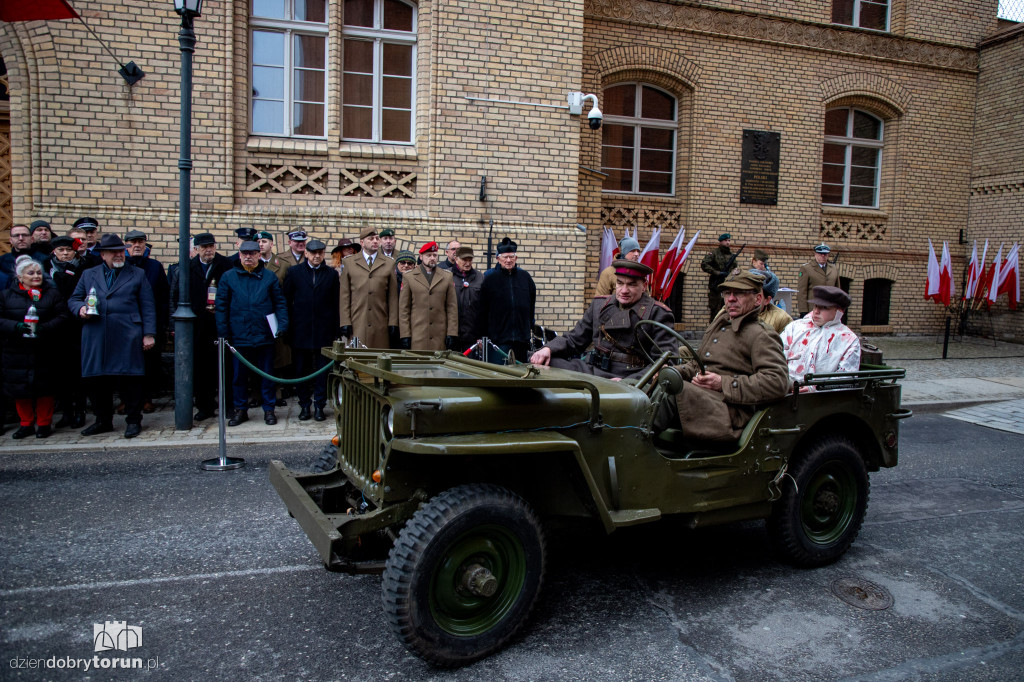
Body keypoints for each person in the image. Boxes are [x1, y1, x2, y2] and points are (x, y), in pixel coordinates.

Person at [654, 270, 790, 442]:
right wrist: (674, 371)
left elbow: (777, 382)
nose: (731, 299)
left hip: (730, 411)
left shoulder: (761, 335)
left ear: (757, 299)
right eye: (727, 293)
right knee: (646, 386)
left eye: (739, 293)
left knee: (670, 393)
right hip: (706, 400)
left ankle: (631, 444)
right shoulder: (721, 324)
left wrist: (722, 383)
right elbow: (699, 366)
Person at [69, 234, 157, 439]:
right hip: (97, 334)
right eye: (114, 252)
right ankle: (103, 421)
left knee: (130, 381)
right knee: (98, 381)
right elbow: (74, 299)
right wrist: (81, 309)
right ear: (103, 255)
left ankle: (134, 420)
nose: (119, 254)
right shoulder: (89, 274)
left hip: (128, 333)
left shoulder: (137, 274)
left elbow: (148, 306)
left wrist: (149, 334)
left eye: (121, 251)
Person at [530, 260, 676, 379]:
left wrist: (630, 382)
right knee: (540, 363)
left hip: (628, 375)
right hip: (593, 368)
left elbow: (665, 361)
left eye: (631, 285)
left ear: (644, 286)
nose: (624, 290)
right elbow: (574, 340)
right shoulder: (599, 304)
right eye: (620, 283)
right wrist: (548, 348)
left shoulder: (658, 313)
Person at [215, 241, 289, 426]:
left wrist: (282, 325)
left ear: (258, 255)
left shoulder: (269, 277)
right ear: (239, 255)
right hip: (238, 336)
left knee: (267, 374)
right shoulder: (228, 277)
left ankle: (269, 409)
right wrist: (223, 331)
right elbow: (221, 307)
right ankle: (240, 410)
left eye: (252, 253)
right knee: (239, 376)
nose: (248, 257)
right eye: (244, 253)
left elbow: (280, 303)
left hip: (264, 334)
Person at [0, 256, 70, 438]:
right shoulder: (6, 295)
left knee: (44, 389)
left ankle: (44, 423)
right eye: (31, 273)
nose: (36, 276)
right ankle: (26, 423)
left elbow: (63, 317)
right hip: (17, 350)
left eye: (38, 272)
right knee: (20, 389)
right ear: (20, 277)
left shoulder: (52, 294)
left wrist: (44, 328)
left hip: (44, 348)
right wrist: (15, 327)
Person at [169, 232, 232, 422]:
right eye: (204, 247)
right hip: (196, 326)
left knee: (224, 368)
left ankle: (228, 406)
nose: (208, 250)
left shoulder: (226, 265)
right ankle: (205, 406)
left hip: (220, 325)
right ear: (196, 249)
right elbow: (175, 296)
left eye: (211, 246)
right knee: (201, 369)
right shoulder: (187, 268)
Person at [283, 239, 338, 421]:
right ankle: (304, 405)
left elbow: (336, 302)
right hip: (301, 330)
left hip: (324, 331)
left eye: (320, 253)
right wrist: (288, 328)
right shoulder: (294, 272)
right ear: (306, 253)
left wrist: (336, 330)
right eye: (313, 252)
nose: (317, 256)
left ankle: (320, 405)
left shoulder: (331, 274)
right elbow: (286, 300)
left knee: (322, 372)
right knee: (301, 371)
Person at [124, 230, 170, 413]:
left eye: (140, 242)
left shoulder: (154, 266)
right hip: (126, 323)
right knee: (126, 364)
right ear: (126, 245)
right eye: (133, 242)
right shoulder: (121, 265)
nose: (137, 245)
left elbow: (163, 296)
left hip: (151, 322)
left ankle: (147, 398)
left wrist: (163, 324)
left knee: (150, 364)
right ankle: (126, 400)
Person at [46, 236, 88, 427]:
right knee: (60, 373)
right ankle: (66, 412)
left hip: (77, 326)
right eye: (61, 250)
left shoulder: (83, 269)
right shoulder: (47, 270)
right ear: (54, 251)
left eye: (68, 250)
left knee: (77, 373)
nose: (65, 254)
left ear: (74, 252)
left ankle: (80, 411)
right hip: (54, 327)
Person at [781, 285, 861, 386]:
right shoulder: (795, 327)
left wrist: (817, 388)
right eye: (815, 306)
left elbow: (846, 377)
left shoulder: (848, 339)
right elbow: (777, 355)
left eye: (824, 308)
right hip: (785, 388)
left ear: (839, 311)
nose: (816, 311)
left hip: (823, 397)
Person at [338, 224, 399, 349]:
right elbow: (345, 295)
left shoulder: (389, 263)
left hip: (380, 320)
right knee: (357, 358)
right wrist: (345, 321)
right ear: (362, 242)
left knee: (378, 359)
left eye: (377, 238)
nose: (375, 241)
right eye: (371, 239)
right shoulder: (349, 263)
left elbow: (392, 297)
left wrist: (393, 322)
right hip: (358, 321)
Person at [478, 237, 536, 363]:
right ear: (498, 258)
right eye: (505, 257)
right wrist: (482, 336)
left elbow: (531, 304)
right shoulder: (489, 277)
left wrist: (528, 326)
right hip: (498, 341)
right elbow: (482, 310)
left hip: (521, 340)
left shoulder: (525, 277)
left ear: (516, 258)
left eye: (511, 257)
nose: (508, 260)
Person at [399, 241, 458, 351]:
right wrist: (405, 334)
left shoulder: (447, 276)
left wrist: (452, 332)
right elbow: (404, 309)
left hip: (439, 334)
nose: (432, 258)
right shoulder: (409, 276)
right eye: (429, 255)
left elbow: (452, 307)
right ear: (421, 257)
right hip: (418, 334)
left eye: (435, 255)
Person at [450, 246, 484, 352]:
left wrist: (481, 335)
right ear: (456, 259)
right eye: (464, 260)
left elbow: (483, 308)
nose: (468, 263)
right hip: (452, 334)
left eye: (470, 260)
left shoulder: (480, 278)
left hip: (471, 335)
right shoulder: (447, 276)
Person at [700, 233, 736, 322]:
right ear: (720, 242)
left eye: (729, 240)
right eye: (725, 241)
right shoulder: (714, 253)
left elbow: (735, 269)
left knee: (728, 309)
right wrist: (718, 273)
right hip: (716, 286)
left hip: (727, 285)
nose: (728, 242)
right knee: (715, 310)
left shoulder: (731, 256)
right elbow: (704, 264)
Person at [797, 243, 840, 316]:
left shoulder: (833, 268)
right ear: (815, 254)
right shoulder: (807, 268)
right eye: (820, 254)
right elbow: (802, 291)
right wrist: (803, 310)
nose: (823, 256)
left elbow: (837, 290)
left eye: (825, 254)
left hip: (830, 308)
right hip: (813, 309)